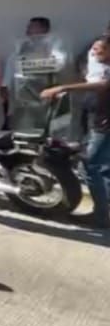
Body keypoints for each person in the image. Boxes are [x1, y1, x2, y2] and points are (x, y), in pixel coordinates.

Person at [42, 35, 110, 229]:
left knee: (90, 165)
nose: (94, 53)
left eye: (99, 49)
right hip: (96, 121)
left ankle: (101, 216)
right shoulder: (101, 67)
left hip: (104, 125)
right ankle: (103, 210)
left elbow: (103, 85)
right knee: (99, 166)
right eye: (93, 49)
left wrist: (64, 87)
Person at [2, 16, 72, 133]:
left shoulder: (54, 43)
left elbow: (60, 63)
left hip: (46, 89)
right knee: (24, 123)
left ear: (44, 28)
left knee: (46, 123)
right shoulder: (24, 44)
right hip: (23, 92)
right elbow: (13, 63)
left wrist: (30, 65)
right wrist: (5, 84)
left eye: (32, 27)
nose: (27, 30)